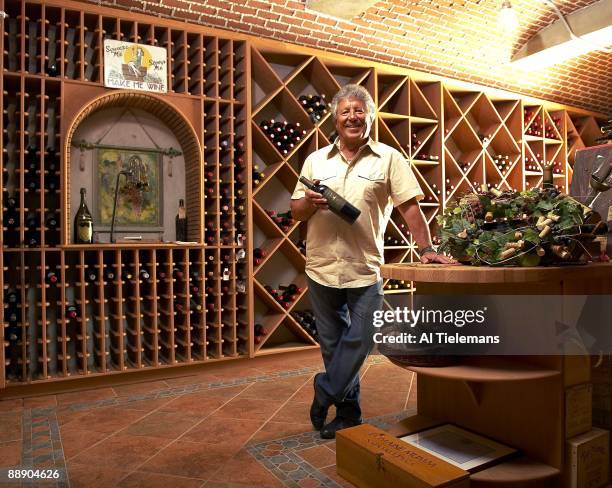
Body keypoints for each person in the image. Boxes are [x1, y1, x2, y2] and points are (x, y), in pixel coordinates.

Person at [290, 84, 455, 439]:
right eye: (345, 111)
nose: (352, 116)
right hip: (321, 268)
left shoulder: (390, 158)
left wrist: (426, 248)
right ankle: (348, 415)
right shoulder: (315, 160)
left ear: (370, 117)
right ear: (335, 120)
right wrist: (309, 202)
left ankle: (325, 390)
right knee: (334, 348)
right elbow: (296, 211)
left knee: (363, 339)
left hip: (365, 267)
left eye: (359, 110)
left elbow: (409, 206)